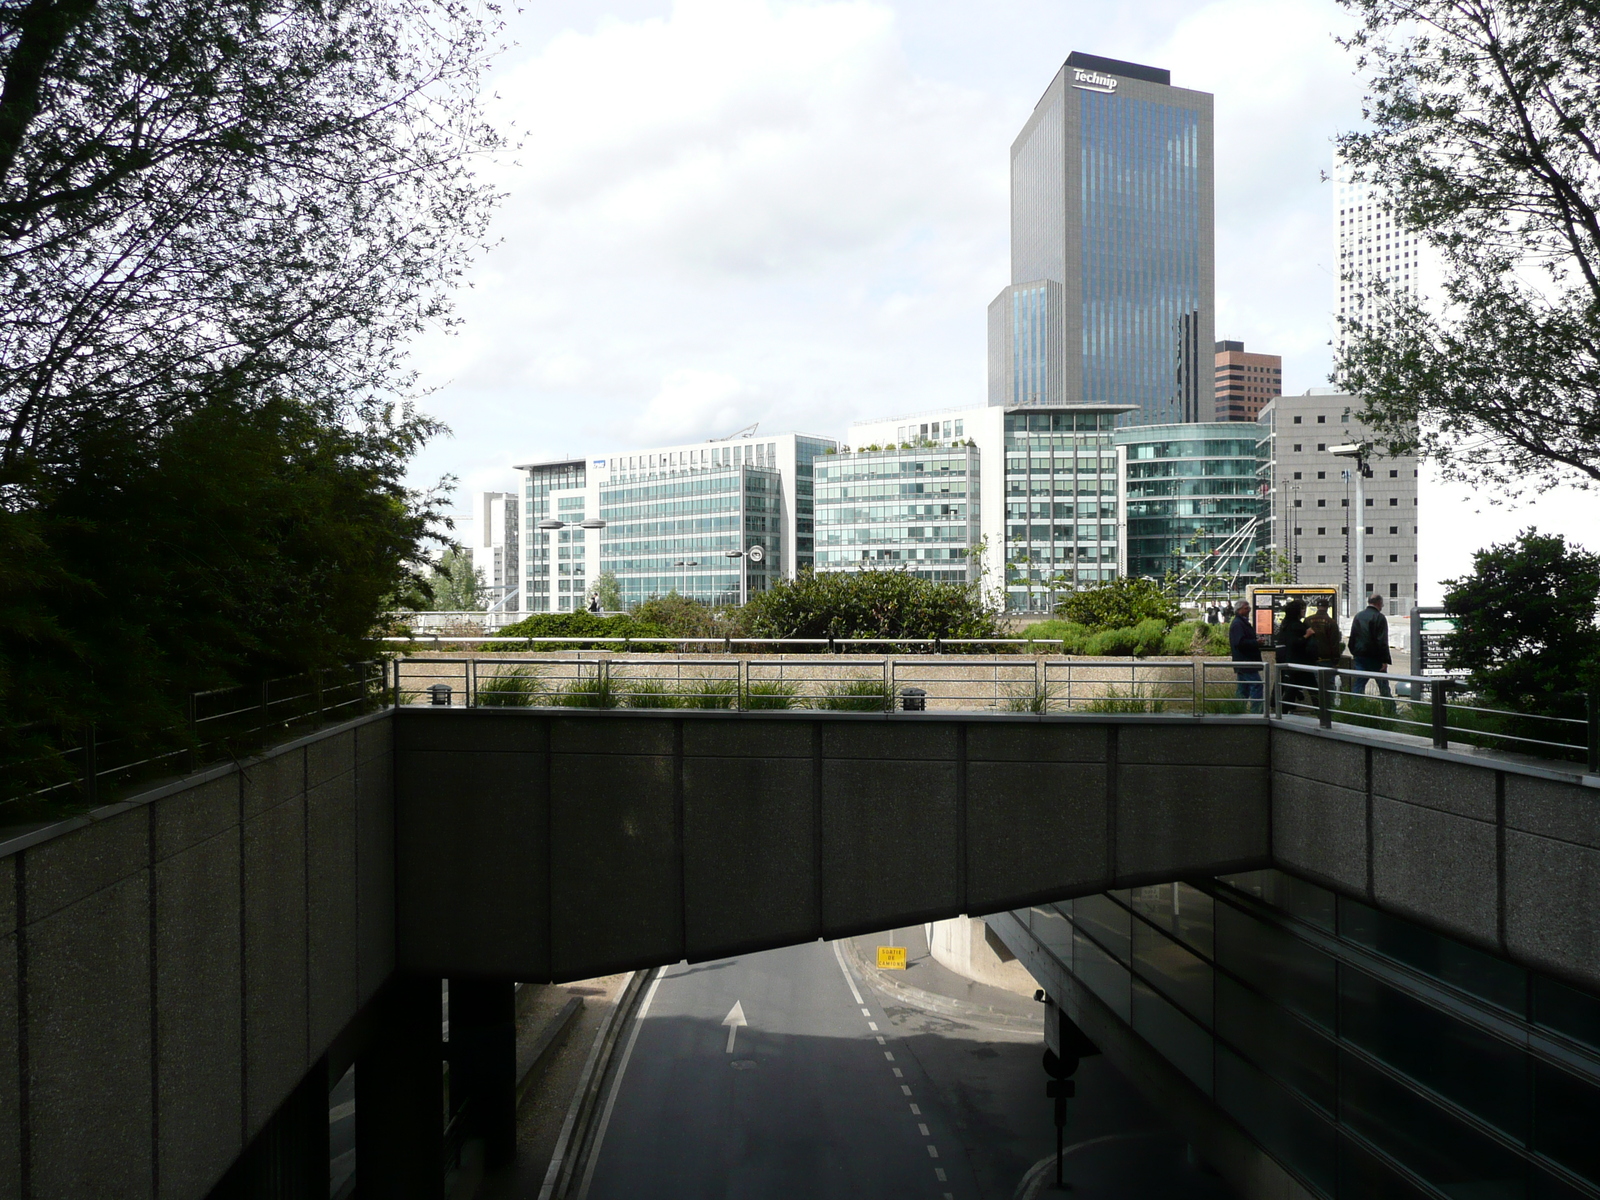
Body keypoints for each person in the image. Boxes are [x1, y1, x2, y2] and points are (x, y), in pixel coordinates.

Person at [1348, 594, 1395, 704]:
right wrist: (1385, 659)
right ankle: (1390, 711)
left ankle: (1355, 709)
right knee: (1383, 687)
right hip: (1375, 658)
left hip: (1360, 656)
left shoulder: (1358, 616)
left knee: (1359, 685)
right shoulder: (1379, 617)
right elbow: (1382, 640)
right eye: (1382, 603)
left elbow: (1353, 637)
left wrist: (1355, 652)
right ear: (1379, 603)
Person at [1275, 598, 1315, 713]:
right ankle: (1323, 712)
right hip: (1301, 661)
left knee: (1293, 687)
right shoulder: (1296, 626)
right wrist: (1306, 635)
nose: (1304, 611)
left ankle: (1283, 709)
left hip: (1295, 661)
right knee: (1314, 689)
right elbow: (1295, 643)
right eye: (1302, 609)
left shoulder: (1287, 624)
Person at [1228, 599, 1263, 713]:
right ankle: (1256, 712)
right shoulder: (1238, 624)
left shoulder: (1241, 622)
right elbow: (1239, 643)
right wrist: (1256, 642)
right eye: (1246, 608)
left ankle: (1238, 711)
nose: (1249, 609)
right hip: (1246, 661)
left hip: (1243, 661)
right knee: (1256, 685)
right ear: (1239, 610)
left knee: (1243, 689)